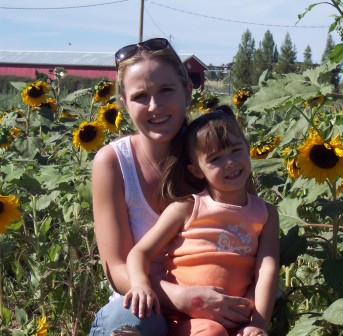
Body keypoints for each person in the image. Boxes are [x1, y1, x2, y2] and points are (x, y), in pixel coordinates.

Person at [89, 38, 253, 336]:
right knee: (134, 319)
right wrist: (184, 298)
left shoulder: (218, 157)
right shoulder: (113, 163)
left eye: (166, 90)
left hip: (211, 317)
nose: (155, 106)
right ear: (124, 104)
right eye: (140, 96)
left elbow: (250, 238)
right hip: (142, 311)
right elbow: (115, 267)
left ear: (187, 91)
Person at [123, 108, 280, 336]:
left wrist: (258, 323)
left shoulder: (266, 213)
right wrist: (140, 284)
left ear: (248, 150)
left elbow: (267, 269)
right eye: (215, 158)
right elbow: (140, 253)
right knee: (212, 332)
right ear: (197, 171)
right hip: (185, 317)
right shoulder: (187, 207)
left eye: (236, 150)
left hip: (237, 318)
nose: (229, 162)